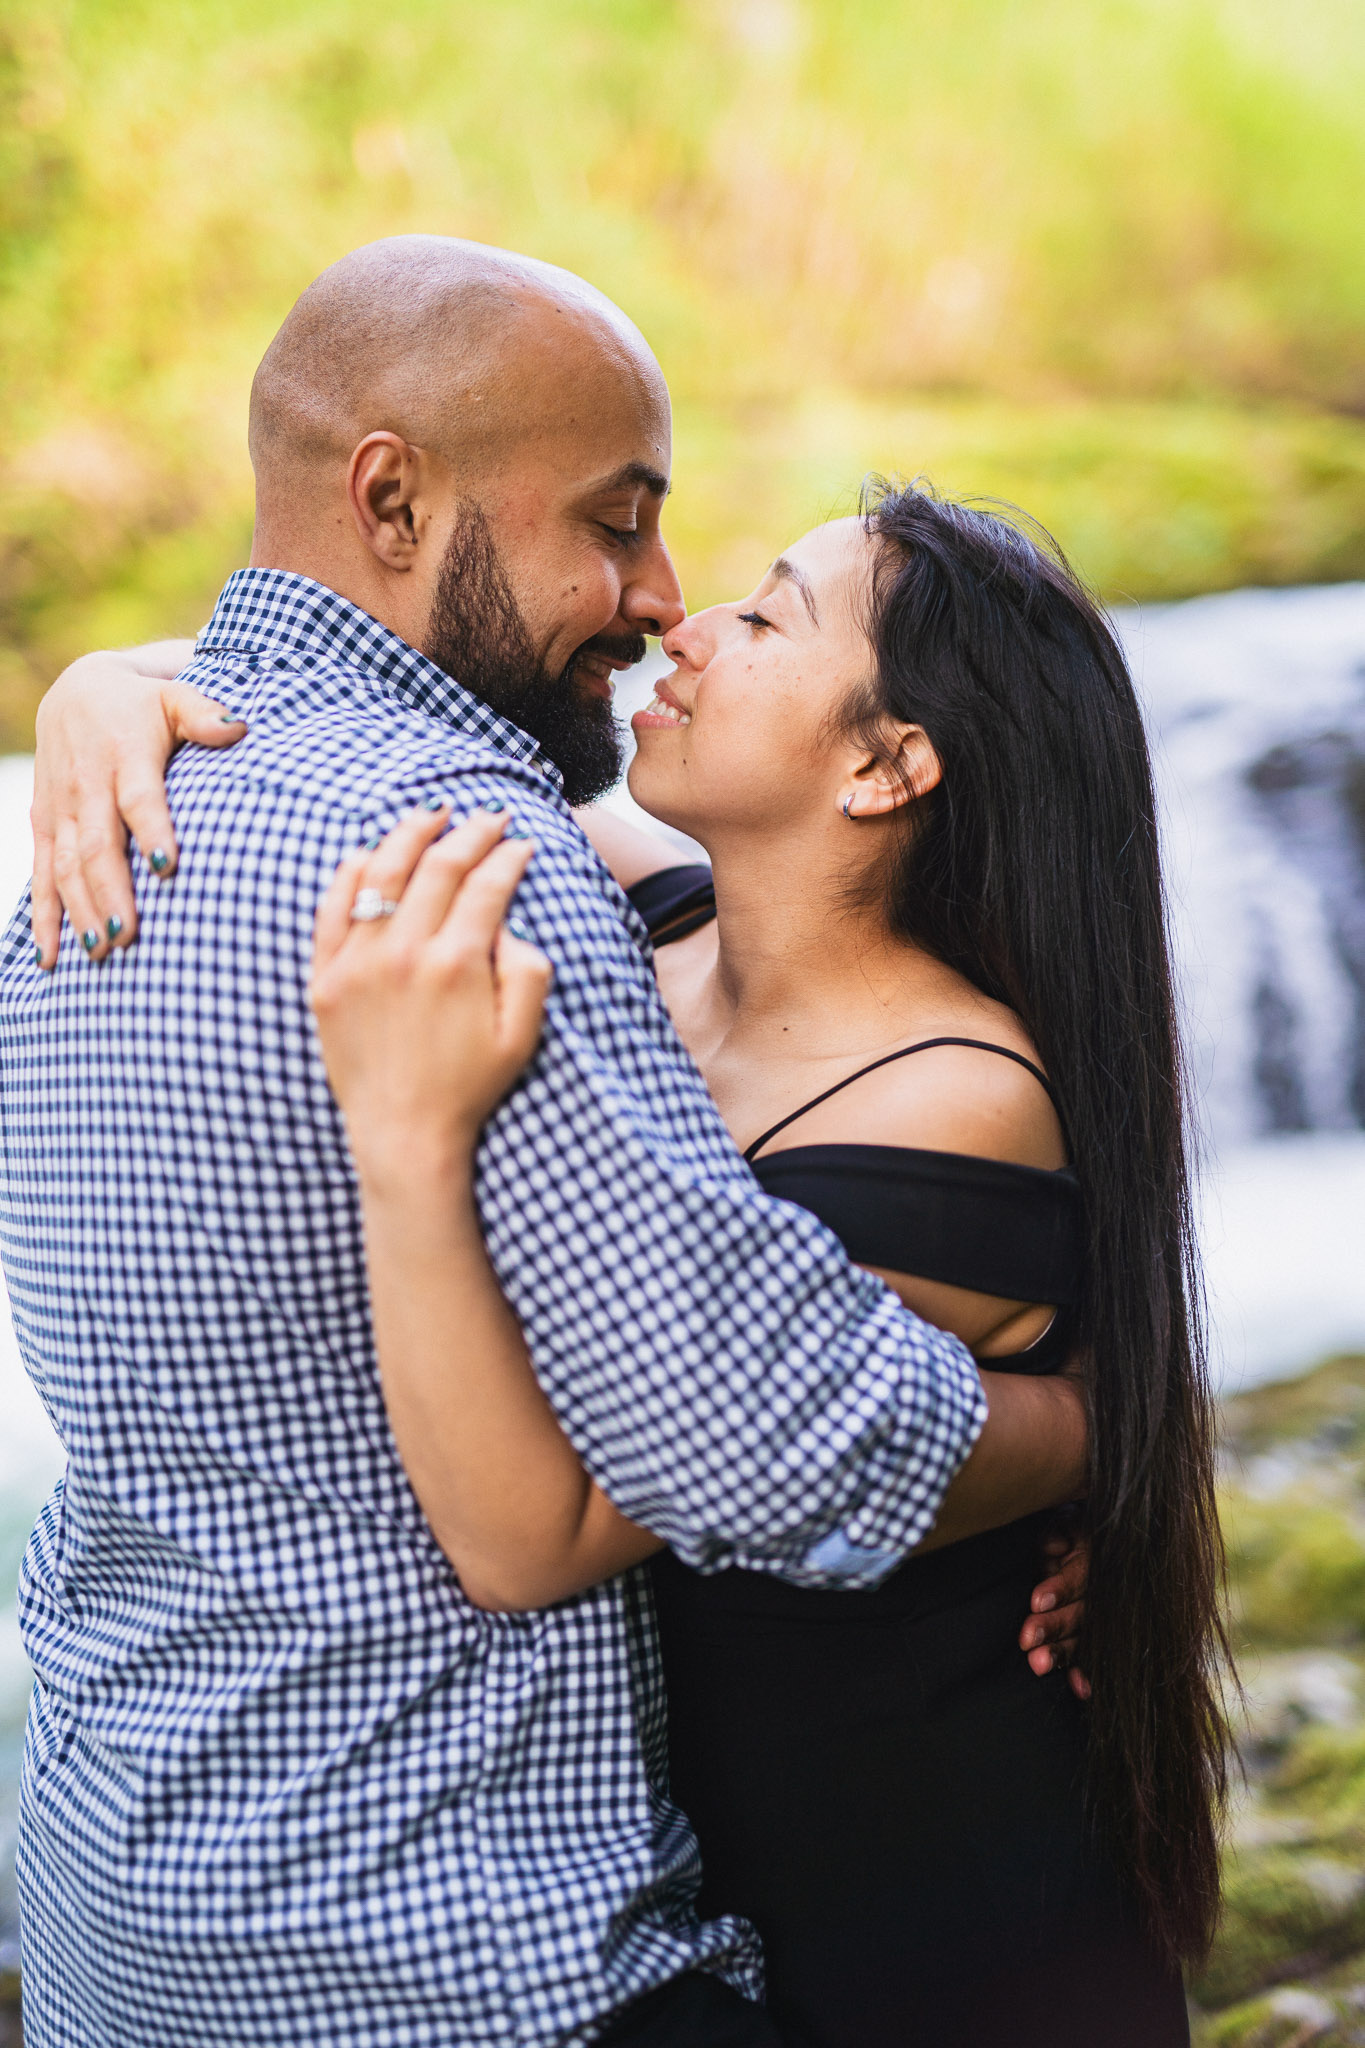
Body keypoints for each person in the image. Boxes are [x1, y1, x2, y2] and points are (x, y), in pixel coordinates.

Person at [3, 237, 1087, 2048]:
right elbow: (746, 1438)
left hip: (123, 1923)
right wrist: (1098, 1432)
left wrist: (100, 680)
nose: (661, 599)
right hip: (451, 1957)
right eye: (617, 521)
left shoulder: (89, 842)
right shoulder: (471, 870)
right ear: (391, 498)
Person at [289, 487, 1230, 2045]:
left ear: (885, 765)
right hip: (683, 1881)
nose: (685, 624)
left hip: (934, 1916)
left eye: (770, 614)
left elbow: (534, 1537)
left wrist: (408, 1139)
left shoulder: (944, 1109)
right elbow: (370, 713)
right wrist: (104, 694)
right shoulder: (653, 933)